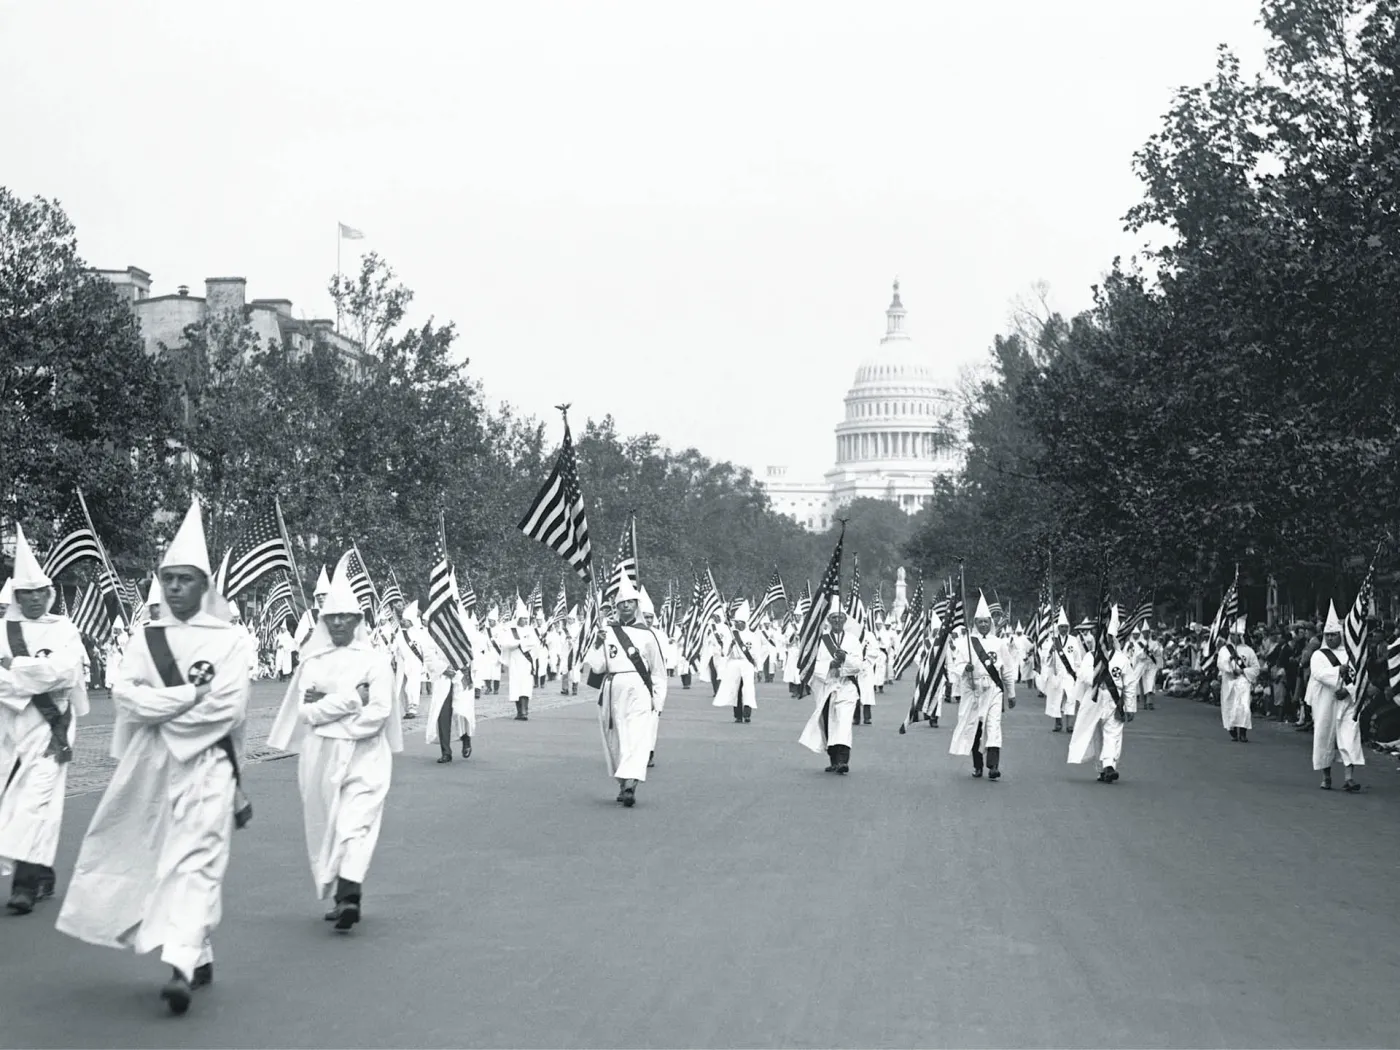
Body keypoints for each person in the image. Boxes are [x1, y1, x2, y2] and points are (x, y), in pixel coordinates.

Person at [57, 500, 254, 1015]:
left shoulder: (231, 642)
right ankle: (199, 948)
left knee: (197, 860)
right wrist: (186, 699)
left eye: (184, 579)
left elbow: (226, 711)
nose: (174, 588)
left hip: (209, 765)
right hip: (151, 768)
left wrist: (162, 709)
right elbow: (125, 694)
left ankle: (181, 966)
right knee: (160, 857)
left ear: (204, 585)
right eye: (167, 579)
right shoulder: (147, 638)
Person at [266, 557, 401, 929]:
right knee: (326, 824)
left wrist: (333, 710)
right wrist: (351, 699)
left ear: (358, 621)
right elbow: (305, 712)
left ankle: (349, 896)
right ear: (324, 622)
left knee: (355, 824)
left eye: (346, 616)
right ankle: (342, 893)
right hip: (320, 755)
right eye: (332, 617)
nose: (339, 622)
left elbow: (380, 713)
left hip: (365, 755)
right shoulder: (313, 663)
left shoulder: (375, 661)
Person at [0, 524, 89, 915]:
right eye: (26, 593)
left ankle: (23, 886)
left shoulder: (65, 628)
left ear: (49, 594)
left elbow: (65, 673)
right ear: (16, 596)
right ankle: (42, 871)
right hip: (8, 729)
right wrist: (36, 670)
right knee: (16, 802)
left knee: (35, 802)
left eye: (40, 591)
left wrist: (15, 667)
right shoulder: (3, 630)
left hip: (52, 728)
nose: (34, 598)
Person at [585, 574, 666, 807]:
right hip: (613, 688)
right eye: (622, 603)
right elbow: (598, 666)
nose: (626, 605)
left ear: (637, 605)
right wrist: (598, 643)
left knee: (637, 734)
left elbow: (658, 671)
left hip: (639, 689)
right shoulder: (607, 631)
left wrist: (658, 702)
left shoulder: (647, 635)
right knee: (617, 736)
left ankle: (632, 783)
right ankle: (623, 781)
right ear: (617, 606)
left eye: (630, 602)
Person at [949, 592, 1016, 780]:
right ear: (975, 623)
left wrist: (1011, 694)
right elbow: (956, 666)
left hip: (993, 689)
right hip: (972, 689)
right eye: (980, 622)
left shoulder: (999, 643)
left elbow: (1007, 671)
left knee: (993, 725)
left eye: (986, 621)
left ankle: (993, 766)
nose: (984, 625)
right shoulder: (966, 644)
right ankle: (977, 765)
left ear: (991, 623)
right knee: (975, 728)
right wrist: (966, 667)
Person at [798, 607, 869, 773]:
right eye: (834, 618)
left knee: (843, 723)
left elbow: (859, 665)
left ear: (845, 620)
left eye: (840, 618)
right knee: (828, 723)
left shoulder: (852, 640)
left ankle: (843, 760)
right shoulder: (821, 641)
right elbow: (812, 664)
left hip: (846, 687)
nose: (837, 621)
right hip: (826, 686)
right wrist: (829, 665)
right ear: (829, 621)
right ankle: (833, 759)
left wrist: (846, 659)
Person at [1068, 607, 1131, 783]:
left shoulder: (1122, 659)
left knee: (1113, 732)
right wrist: (1097, 678)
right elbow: (1083, 675)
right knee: (1097, 734)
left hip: (1114, 701)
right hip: (1095, 699)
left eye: (1111, 638)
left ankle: (1109, 765)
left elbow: (1130, 685)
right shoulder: (1090, 656)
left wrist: (1130, 707)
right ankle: (1101, 768)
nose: (1108, 641)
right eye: (1105, 637)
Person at [1308, 602, 1364, 792]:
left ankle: (1349, 777)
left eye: (1334, 634)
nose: (1331, 638)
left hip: (1346, 702)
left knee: (1349, 736)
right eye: (1328, 635)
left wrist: (1348, 690)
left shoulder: (1350, 654)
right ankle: (1326, 776)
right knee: (1325, 737)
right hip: (1326, 702)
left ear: (1341, 635)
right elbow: (1319, 674)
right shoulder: (1318, 655)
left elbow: (1358, 676)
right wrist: (1337, 671)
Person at [1218, 616, 1259, 742]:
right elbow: (1220, 664)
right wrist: (1229, 664)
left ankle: (1243, 732)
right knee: (1230, 706)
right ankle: (1232, 730)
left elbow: (1256, 668)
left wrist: (1243, 670)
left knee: (1244, 706)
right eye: (1233, 634)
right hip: (1229, 681)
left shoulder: (1249, 650)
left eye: (1237, 635)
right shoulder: (1225, 650)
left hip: (1242, 681)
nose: (1234, 637)